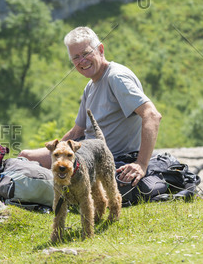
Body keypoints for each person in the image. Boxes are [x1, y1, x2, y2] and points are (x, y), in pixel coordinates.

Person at [19, 26, 162, 187]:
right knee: (25, 157)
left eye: (86, 53)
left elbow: (152, 115)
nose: (82, 61)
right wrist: (56, 153)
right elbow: (76, 132)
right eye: (76, 57)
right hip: (86, 153)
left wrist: (141, 163)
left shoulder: (116, 78)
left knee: (35, 174)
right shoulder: (91, 85)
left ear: (100, 49)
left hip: (108, 159)